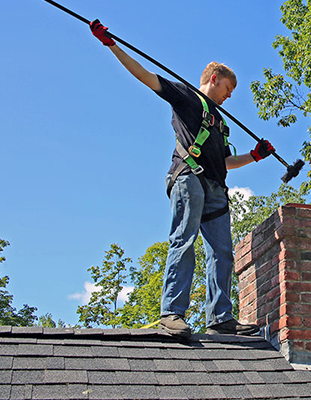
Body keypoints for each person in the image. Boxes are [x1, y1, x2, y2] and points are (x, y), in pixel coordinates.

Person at [90, 20, 275, 338]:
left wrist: (255, 156)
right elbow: (147, 77)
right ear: (214, 79)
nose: (229, 97)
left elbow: (226, 163)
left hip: (216, 188)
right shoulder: (187, 98)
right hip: (188, 178)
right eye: (228, 89)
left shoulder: (220, 121)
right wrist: (112, 45)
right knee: (184, 240)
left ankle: (221, 317)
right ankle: (172, 314)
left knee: (223, 252)